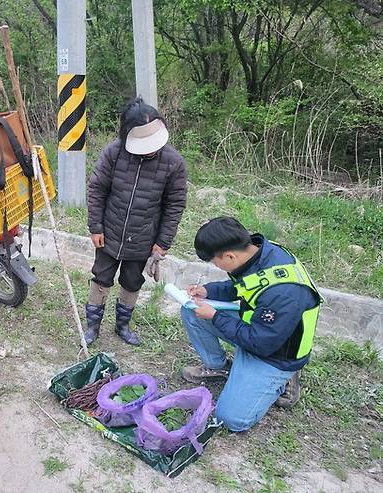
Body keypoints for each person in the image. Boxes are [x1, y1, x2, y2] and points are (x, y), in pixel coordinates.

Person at [181, 217, 323, 431]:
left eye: (214, 261)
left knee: (231, 419)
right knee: (192, 311)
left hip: (275, 353)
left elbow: (261, 344)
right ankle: (219, 368)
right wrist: (208, 291)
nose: (216, 266)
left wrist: (216, 317)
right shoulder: (258, 253)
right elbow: (242, 286)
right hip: (257, 327)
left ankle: (284, 379)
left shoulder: (284, 293)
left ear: (229, 255)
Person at [85, 97, 188, 346]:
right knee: (101, 278)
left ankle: (123, 325)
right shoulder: (114, 152)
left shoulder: (173, 163)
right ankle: (92, 327)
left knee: (132, 282)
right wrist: (95, 226)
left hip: (143, 238)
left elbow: (174, 206)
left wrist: (162, 243)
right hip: (109, 232)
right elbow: (97, 189)